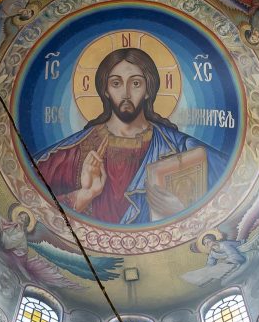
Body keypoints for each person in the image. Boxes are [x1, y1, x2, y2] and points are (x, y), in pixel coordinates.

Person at [35, 47, 228, 224]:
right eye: (116, 83)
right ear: (105, 90)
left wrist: (182, 211)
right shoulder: (73, 152)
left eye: (135, 83)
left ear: (148, 90)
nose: (126, 93)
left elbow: (231, 187)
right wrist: (86, 194)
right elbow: (32, 202)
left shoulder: (179, 148)